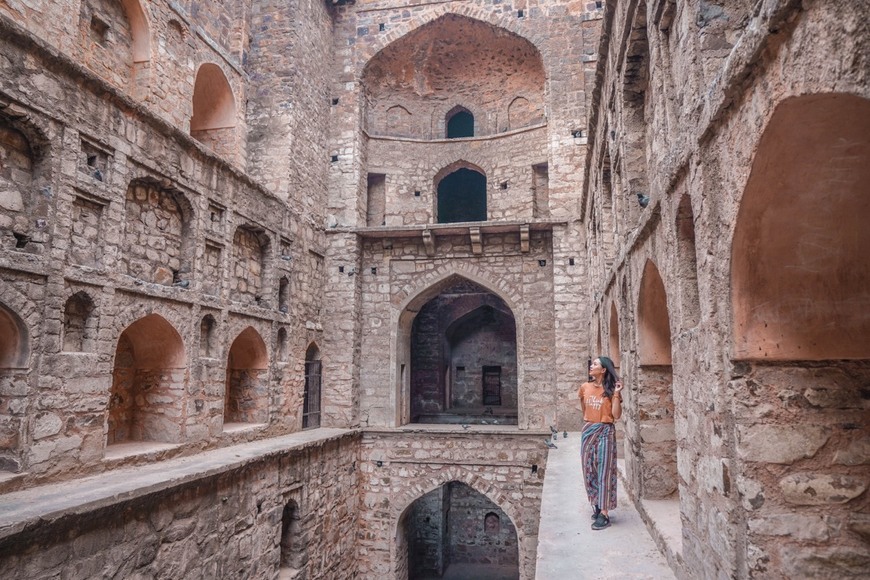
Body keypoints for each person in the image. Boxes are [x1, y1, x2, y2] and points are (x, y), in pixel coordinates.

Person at [578, 356, 623, 530]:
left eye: (595, 364)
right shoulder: (584, 388)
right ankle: (596, 503)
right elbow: (584, 409)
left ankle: (604, 513)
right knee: (588, 468)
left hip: (606, 430)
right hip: (589, 430)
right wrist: (590, 423)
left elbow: (616, 415)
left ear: (603, 369)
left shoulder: (611, 390)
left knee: (604, 469)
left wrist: (617, 393)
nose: (591, 365)